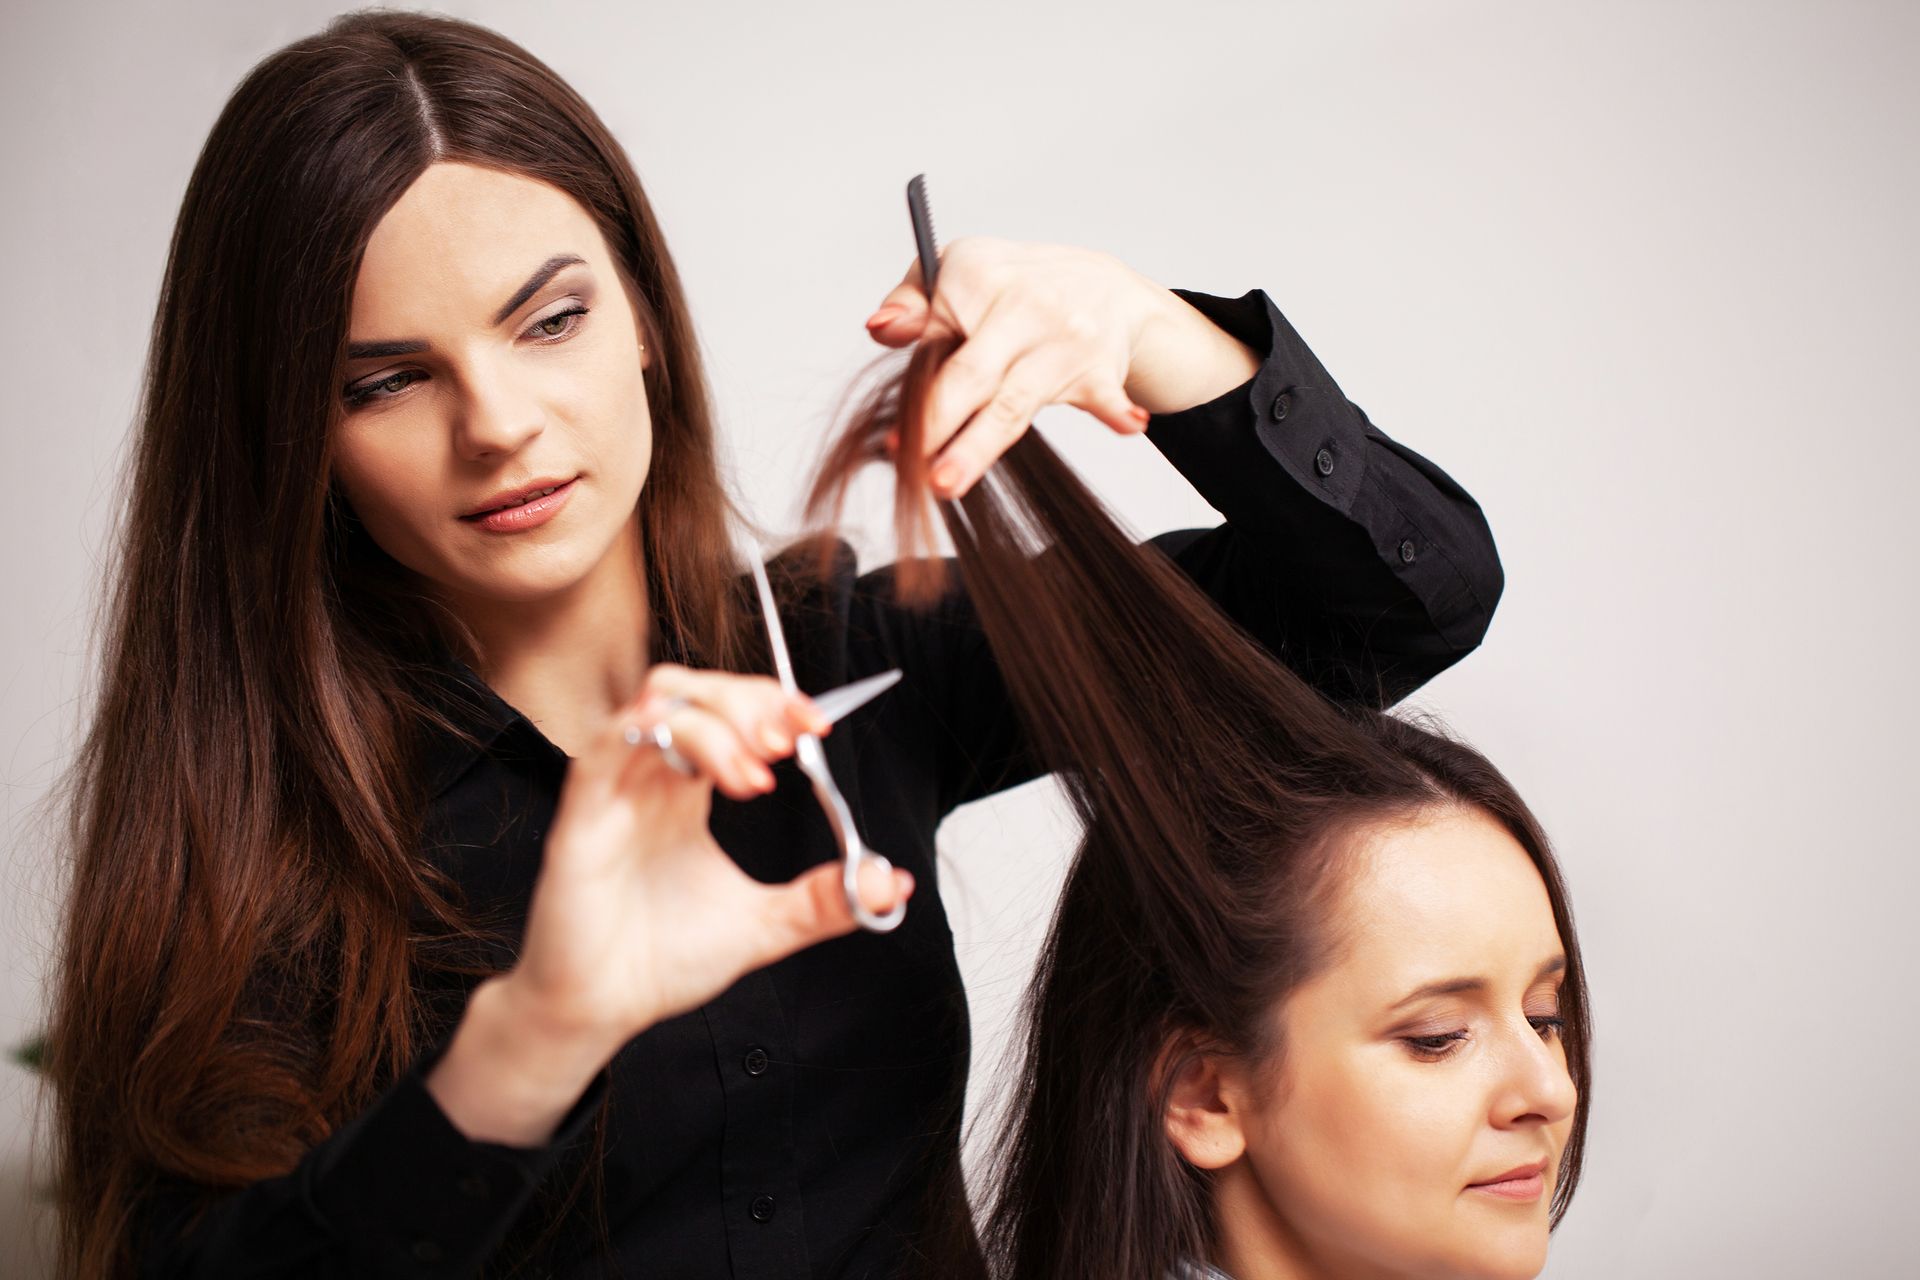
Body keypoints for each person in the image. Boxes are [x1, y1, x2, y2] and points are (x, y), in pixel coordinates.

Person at [44, 9, 1505, 1278]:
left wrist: (1144, 330)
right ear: (295, 440)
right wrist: (526, 1049)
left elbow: (1399, 602)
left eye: (548, 321)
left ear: (642, 325)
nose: (497, 424)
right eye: (386, 381)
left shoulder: (854, 669)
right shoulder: (260, 845)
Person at [811, 328, 1588, 1280]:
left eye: (1545, 1018)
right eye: (1437, 1039)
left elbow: (1419, 587)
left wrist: (1134, 324)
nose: (1546, 1087)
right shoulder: (826, 686)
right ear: (1207, 1096)